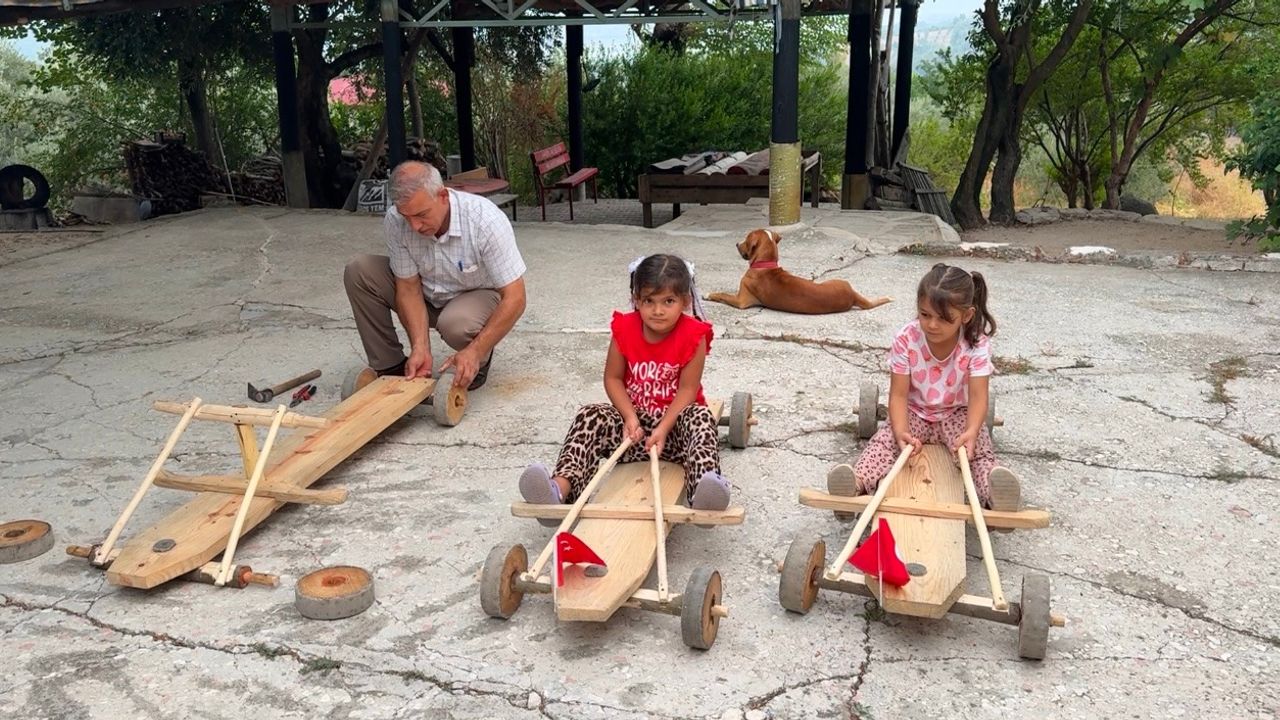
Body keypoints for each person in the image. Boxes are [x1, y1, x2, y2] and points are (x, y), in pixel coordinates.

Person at [518, 254, 731, 511]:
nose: (658, 310)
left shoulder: (694, 334)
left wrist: (663, 428)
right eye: (649, 301)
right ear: (636, 299)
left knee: (701, 418)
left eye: (669, 301)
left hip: (674, 434)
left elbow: (688, 389)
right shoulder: (625, 328)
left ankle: (704, 493)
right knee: (591, 414)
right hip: (632, 433)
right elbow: (613, 378)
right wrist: (629, 417)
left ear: (685, 301)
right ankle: (559, 489)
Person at [828, 263, 1021, 510]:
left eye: (944, 318)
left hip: (956, 413)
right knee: (884, 443)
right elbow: (898, 395)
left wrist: (972, 431)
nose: (932, 325)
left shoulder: (976, 344)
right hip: (914, 411)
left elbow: (978, 397)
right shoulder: (906, 339)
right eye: (925, 315)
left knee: (978, 451)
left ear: (966, 316)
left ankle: (995, 495)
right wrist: (901, 431)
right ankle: (855, 483)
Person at [343, 161, 526, 391]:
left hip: (474, 299)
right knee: (360, 271)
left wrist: (474, 351)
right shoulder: (396, 220)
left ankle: (477, 359)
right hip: (427, 292)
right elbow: (408, 288)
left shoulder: (485, 220)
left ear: (442, 196)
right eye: (406, 216)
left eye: (421, 215)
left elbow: (516, 298)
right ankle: (390, 367)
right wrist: (420, 347)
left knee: (455, 324)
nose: (415, 226)